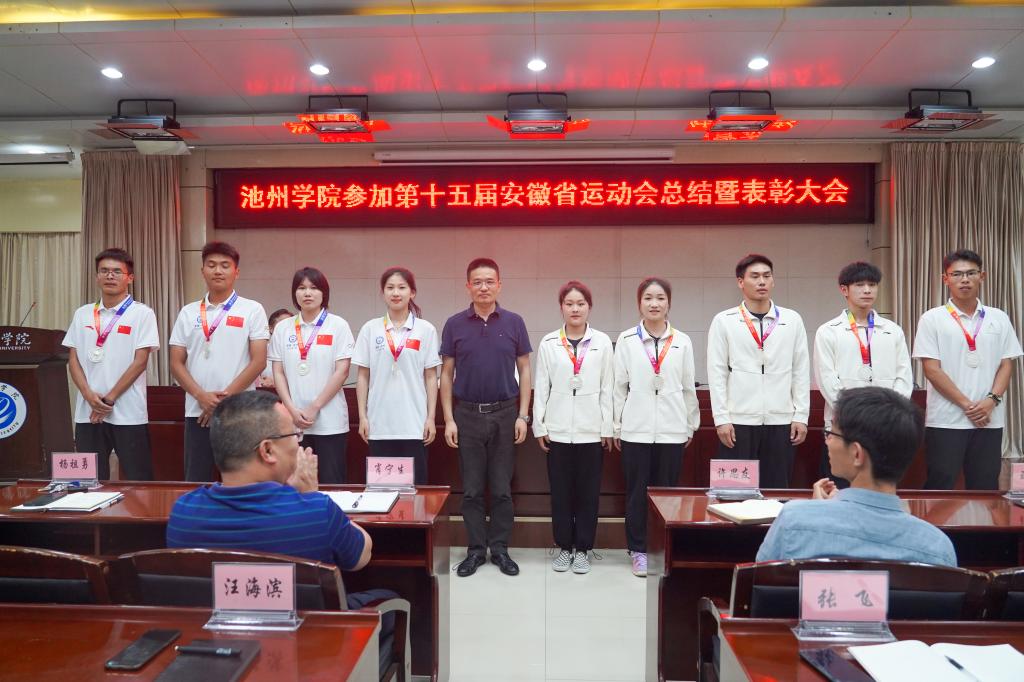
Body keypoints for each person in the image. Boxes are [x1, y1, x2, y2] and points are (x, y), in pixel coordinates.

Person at [165, 391, 396, 668]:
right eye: (294, 436)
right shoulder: (315, 511)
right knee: (390, 602)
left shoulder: (183, 513)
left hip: (215, 658)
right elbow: (362, 555)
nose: (298, 444)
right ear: (267, 450)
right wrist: (311, 494)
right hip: (311, 658)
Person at [756, 386, 957, 566]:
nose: (827, 441)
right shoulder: (938, 547)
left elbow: (759, 584)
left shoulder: (794, 521)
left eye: (832, 433)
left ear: (857, 454)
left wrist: (818, 512)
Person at [440, 258, 532, 577]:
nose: (483, 287)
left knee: (502, 488)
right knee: (472, 490)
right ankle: (476, 550)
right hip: (467, 415)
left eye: (489, 281)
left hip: (506, 413)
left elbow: (525, 369)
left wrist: (523, 415)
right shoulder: (454, 324)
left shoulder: (514, 322)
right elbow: (446, 373)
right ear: (468, 286)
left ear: (499, 285)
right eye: (477, 282)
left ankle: (501, 549)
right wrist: (449, 419)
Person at [912, 249, 1022, 490]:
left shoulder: (998, 318)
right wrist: (967, 405)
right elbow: (932, 370)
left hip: (989, 419)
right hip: (946, 420)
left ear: (982, 276)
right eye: (957, 274)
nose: (964, 279)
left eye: (971, 273)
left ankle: (980, 521)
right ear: (946, 279)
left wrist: (991, 401)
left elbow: (1006, 364)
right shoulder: (932, 319)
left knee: (985, 486)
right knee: (940, 484)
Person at [613, 277, 700, 577]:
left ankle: (663, 549)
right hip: (635, 429)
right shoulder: (627, 340)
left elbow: (688, 386)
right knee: (637, 493)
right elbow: (618, 387)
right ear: (639, 303)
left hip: (672, 428)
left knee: (667, 493)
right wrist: (617, 426)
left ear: (669, 303)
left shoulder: (682, 341)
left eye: (660, 298)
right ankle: (638, 550)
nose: (654, 303)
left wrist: (690, 424)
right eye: (648, 298)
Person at [707, 254, 810, 488]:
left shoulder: (792, 319)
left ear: (773, 281)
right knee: (732, 492)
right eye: (754, 276)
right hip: (737, 421)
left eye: (766, 276)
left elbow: (801, 370)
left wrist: (801, 416)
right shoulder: (724, 320)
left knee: (777, 491)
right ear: (740, 282)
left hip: (781, 420)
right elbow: (717, 372)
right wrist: (721, 419)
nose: (761, 281)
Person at [169, 241, 269, 482]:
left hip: (240, 411)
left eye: (225, 265)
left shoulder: (252, 310)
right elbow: (175, 363)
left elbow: (259, 361)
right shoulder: (188, 312)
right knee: (196, 480)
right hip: (198, 411)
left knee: (243, 480)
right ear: (202, 270)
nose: (218, 271)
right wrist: (202, 397)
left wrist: (221, 402)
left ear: (236, 272)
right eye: (211, 265)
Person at [533, 281, 614, 574]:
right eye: (569, 304)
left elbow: (608, 387)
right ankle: (564, 547)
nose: (575, 309)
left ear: (589, 307)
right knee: (561, 493)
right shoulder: (549, 343)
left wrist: (607, 427)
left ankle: (583, 549)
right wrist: (540, 425)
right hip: (557, 431)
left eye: (580, 303)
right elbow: (541, 386)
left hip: (591, 432)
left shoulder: (602, 342)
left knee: (588, 494)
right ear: (561, 308)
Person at [62, 248, 159, 480]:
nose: (110, 276)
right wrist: (89, 396)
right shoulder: (83, 313)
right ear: (97, 277)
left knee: (139, 478)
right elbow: (73, 359)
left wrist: (108, 400)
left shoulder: (142, 314)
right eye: (104, 271)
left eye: (117, 271)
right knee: (88, 480)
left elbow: (140, 362)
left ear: (130, 278)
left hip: (128, 412)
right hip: (88, 412)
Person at [814, 261, 913, 487]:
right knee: (839, 489)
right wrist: (859, 416)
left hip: (884, 427)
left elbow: (904, 378)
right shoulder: (828, 331)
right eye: (860, 285)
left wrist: (886, 414)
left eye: (872, 284)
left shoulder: (892, 331)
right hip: (843, 426)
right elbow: (827, 381)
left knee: (880, 488)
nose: (867, 290)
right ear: (844, 289)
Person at [353, 267, 441, 485]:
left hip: (414, 425)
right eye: (390, 287)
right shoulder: (370, 329)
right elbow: (362, 376)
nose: (395, 293)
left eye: (402, 287)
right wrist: (363, 417)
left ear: (412, 292)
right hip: (379, 426)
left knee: (415, 491)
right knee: (381, 489)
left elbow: (431, 377)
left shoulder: (425, 330)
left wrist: (430, 418)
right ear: (382, 293)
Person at [269, 267, 354, 484]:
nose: (307, 293)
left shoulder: (338, 325)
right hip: (293, 421)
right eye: (301, 288)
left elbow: (342, 371)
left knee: (332, 483)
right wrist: (291, 409)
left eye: (314, 288)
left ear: (324, 293)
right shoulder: (283, 328)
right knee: (294, 482)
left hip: (330, 421)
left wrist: (315, 407)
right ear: (294, 293)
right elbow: (278, 372)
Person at [258, 308, 292, 388]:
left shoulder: (300, 352)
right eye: (283, 325)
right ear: (271, 329)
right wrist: (260, 381)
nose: (288, 329)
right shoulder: (260, 351)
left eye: (291, 326)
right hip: (266, 393)